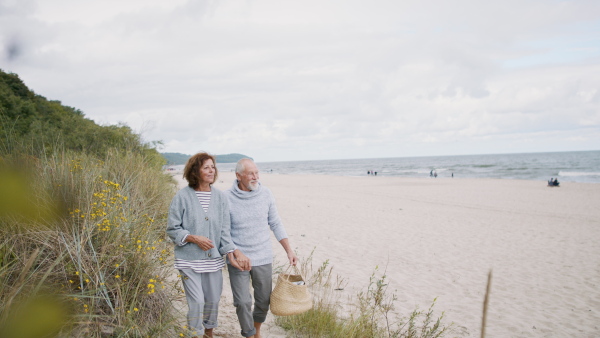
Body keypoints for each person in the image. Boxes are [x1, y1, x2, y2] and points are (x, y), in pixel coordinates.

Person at [166, 152, 246, 338]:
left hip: (213, 261)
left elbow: (225, 231)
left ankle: (208, 333)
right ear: (196, 171)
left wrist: (230, 253)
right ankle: (195, 333)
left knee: (212, 301)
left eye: (213, 167)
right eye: (206, 167)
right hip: (188, 260)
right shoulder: (182, 196)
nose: (211, 171)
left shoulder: (220, 197)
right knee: (197, 303)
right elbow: (172, 228)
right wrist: (193, 238)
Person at [226, 158, 299, 338]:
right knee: (242, 302)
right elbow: (223, 231)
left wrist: (289, 250)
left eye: (257, 172)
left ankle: (257, 330)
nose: (255, 177)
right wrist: (235, 252)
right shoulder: (226, 197)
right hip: (238, 258)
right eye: (251, 173)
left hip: (263, 256)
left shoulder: (265, 193)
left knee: (263, 301)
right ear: (238, 175)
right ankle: (249, 334)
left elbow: (275, 223)